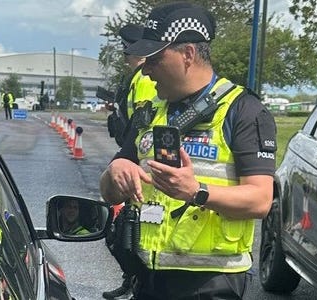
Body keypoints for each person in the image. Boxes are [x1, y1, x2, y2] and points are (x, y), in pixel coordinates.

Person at [99, 3, 277, 299]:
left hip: (210, 284)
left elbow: (260, 201)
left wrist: (197, 191)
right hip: (148, 277)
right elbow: (109, 192)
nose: (146, 68)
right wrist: (115, 172)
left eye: (154, 58)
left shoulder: (243, 111)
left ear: (188, 54)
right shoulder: (149, 112)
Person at [102, 23, 159, 300]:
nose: (125, 56)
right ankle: (133, 280)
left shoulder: (146, 78)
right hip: (128, 153)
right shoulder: (135, 76)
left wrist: (128, 150)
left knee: (127, 228)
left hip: (138, 156)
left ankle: (138, 280)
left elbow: (145, 119)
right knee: (125, 229)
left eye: (127, 50)